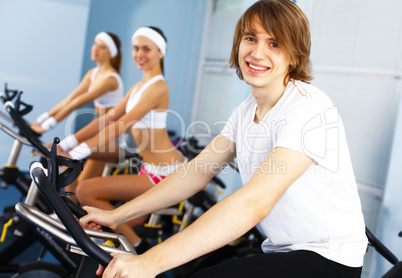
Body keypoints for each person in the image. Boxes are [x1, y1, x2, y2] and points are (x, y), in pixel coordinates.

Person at [79, 1, 368, 277]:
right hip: (282, 250)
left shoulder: (308, 108)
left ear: (294, 55)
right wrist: (117, 216)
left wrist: (149, 263)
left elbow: (254, 202)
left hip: (328, 259)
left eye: (275, 43)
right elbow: (195, 172)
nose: (257, 53)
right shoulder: (245, 111)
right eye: (251, 38)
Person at [63, 26, 186, 246]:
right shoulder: (139, 86)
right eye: (136, 48)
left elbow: (121, 125)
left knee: (86, 191)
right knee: (125, 224)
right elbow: (108, 118)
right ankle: (130, 247)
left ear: (160, 52)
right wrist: (68, 144)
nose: (139, 54)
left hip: (166, 174)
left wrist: (79, 151)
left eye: (146, 49)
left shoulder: (159, 86)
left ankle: (140, 251)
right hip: (149, 169)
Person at [31, 31, 124, 134]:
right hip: (100, 120)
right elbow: (70, 99)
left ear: (111, 53)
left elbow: (76, 103)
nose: (95, 49)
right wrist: (39, 121)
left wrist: (44, 128)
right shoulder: (92, 73)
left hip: (115, 127)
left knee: (74, 148)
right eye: (95, 43)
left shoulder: (111, 79)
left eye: (102, 47)